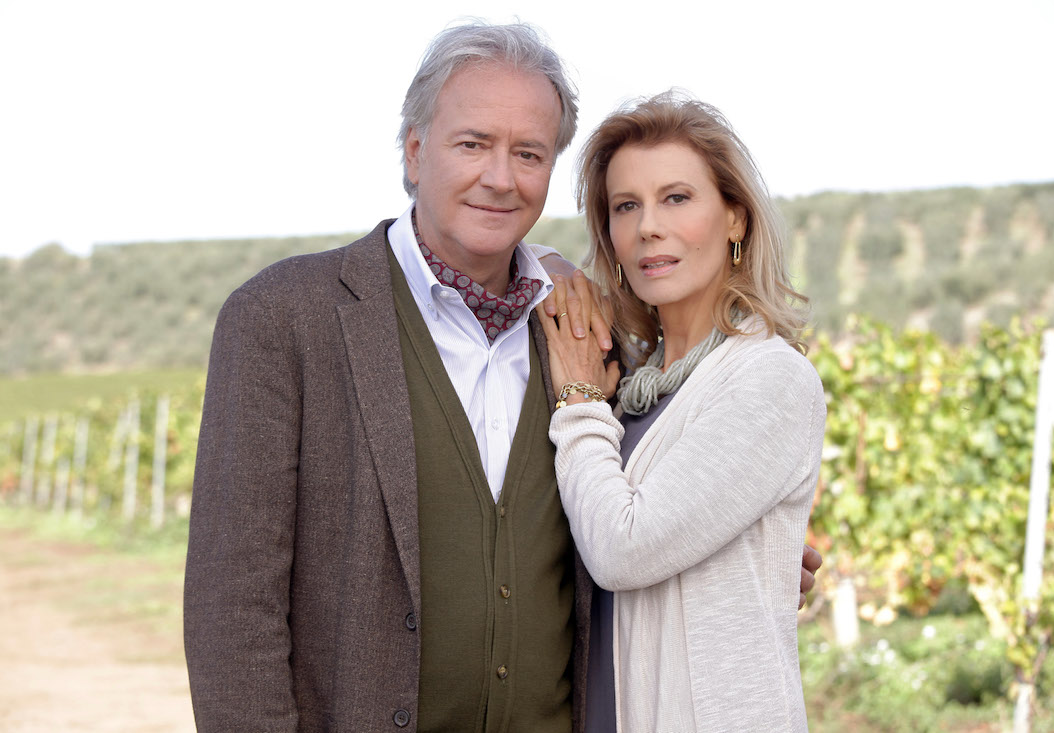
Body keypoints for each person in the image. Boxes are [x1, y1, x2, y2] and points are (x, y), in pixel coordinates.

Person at [183, 22, 820, 732]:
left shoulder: (586, 340)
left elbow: (627, 522)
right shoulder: (282, 319)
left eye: (528, 153)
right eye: (472, 144)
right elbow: (232, 602)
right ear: (415, 151)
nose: (500, 178)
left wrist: (742, 564)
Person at [537, 93, 826, 732]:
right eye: (625, 206)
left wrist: (579, 402)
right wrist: (549, 265)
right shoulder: (638, 383)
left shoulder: (770, 377)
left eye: (676, 198)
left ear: (735, 219)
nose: (649, 227)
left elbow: (621, 549)